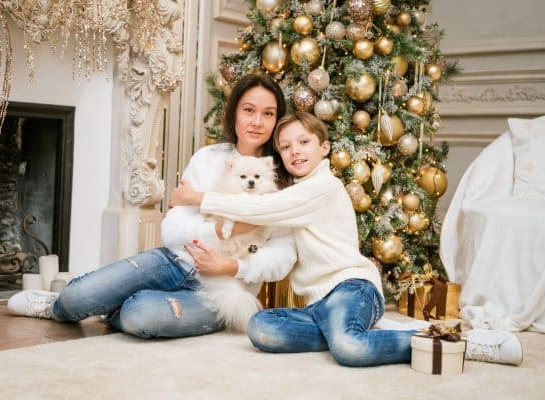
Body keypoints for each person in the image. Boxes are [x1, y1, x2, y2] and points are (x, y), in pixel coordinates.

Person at [170, 111, 523, 366]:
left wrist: (200, 199)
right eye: (286, 146)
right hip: (317, 304)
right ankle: (353, 328)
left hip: (352, 287)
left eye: (304, 142)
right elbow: (278, 240)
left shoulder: (322, 186)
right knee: (262, 328)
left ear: (324, 148)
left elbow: (267, 208)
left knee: (350, 350)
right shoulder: (297, 194)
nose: (295, 151)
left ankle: (456, 341)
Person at [7, 73, 297, 339]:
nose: (257, 121)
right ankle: (58, 306)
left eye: (268, 114)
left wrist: (232, 266)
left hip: (222, 290)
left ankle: (117, 304)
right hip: (173, 260)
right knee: (74, 298)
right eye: (249, 110)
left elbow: (282, 258)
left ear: (276, 120)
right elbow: (172, 228)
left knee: (141, 315)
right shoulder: (208, 158)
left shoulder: (283, 182)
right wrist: (222, 230)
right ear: (234, 112)